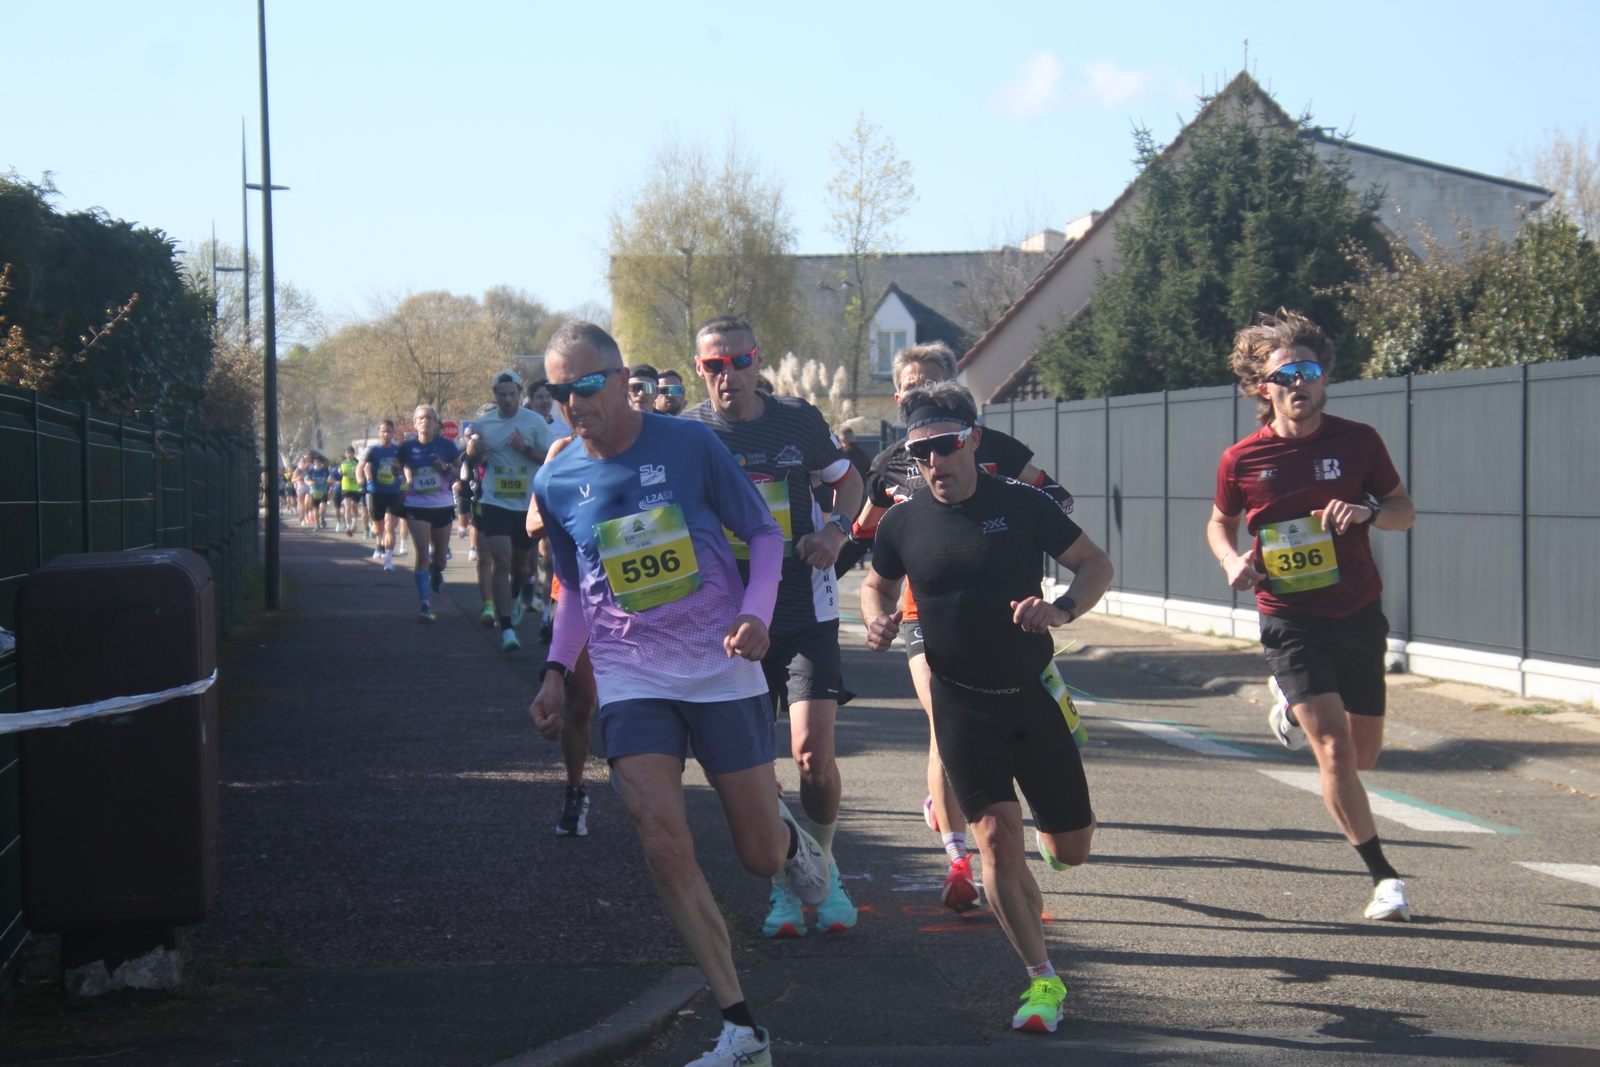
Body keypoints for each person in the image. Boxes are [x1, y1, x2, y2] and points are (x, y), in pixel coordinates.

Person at [529, 321, 828, 1067]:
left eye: (585, 386)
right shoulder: (556, 481)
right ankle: (740, 1026)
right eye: (559, 391)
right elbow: (574, 591)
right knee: (662, 841)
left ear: (621, 379)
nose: (573, 403)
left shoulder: (689, 444)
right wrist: (556, 669)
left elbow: (763, 533)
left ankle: (790, 840)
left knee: (758, 855)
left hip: (719, 661)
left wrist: (757, 611)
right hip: (631, 674)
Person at [861, 381, 1113, 1034]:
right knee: (997, 838)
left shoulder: (1022, 504)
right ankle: (1042, 979)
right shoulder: (902, 521)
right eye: (920, 452)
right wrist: (877, 618)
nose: (934, 461)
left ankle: (1061, 834)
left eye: (946, 445)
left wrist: (1060, 609)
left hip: (1030, 695)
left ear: (972, 438)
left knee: (1071, 849)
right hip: (960, 703)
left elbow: (1095, 564)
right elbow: (875, 582)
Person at [838, 342, 1075, 911]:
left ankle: (1039, 816)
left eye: (930, 384)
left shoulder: (993, 449)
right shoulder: (892, 462)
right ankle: (958, 858)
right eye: (909, 388)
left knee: (1017, 734)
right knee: (942, 719)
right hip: (923, 615)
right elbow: (863, 535)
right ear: (898, 396)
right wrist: (826, 573)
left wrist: (1019, 532)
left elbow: (1056, 496)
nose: (918, 396)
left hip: (1003, 618)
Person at [1207, 310, 1418, 922]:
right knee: (1333, 749)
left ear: (1324, 379)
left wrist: (1369, 512)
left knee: (1365, 753)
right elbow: (1219, 521)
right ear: (1263, 388)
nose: (1299, 383)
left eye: (1309, 371)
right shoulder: (1242, 459)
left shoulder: (1359, 442)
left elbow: (1403, 510)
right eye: (1285, 375)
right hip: (1288, 615)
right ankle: (1384, 878)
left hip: (1356, 608)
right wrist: (1230, 560)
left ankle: (1286, 699)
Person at [681, 315, 864, 939]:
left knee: (813, 756)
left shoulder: (798, 421)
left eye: (740, 361)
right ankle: (791, 879)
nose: (728, 375)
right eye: (714, 365)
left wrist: (835, 531)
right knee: (756, 768)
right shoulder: (688, 434)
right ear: (700, 368)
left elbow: (849, 483)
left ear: (757, 361)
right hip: (730, 620)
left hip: (803, 609)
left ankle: (825, 864)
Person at [526, 433, 601, 836]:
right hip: (576, 591)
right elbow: (532, 523)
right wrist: (583, 507)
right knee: (582, 703)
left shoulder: (654, 444)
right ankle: (575, 791)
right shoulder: (562, 449)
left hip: (639, 596)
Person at [467, 371, 554, 651]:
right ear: (495, 395)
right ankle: (506, 630)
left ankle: (516, 594)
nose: (507, 399)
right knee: (500, 561)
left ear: (519, 394)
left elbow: (550, 459)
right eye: (501, 394)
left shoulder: (534, 422)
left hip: (526, 504)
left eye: (511, 394)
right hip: (495, 501)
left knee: (521, 568)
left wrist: (524, 448)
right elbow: (477, 460)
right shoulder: (485, 423)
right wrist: (473, 451)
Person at [397, 405, 460, 622]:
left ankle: (436, 570)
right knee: (422, 554)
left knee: (440, 559)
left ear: (435, 423)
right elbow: (396, 467)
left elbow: (461, 471)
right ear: (415, 423)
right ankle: (425, 605)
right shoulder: (407, 447)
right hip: (416, 505)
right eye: (421, 418)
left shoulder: (446, 445)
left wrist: (445, 467)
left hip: (442, 505)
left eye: (429, 418)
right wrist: (396, 471)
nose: (425, 422)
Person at [361, 420, 406, 571]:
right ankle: (375, 534)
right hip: (375, 492)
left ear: (393, 433)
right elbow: (360, 468)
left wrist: (401, 473)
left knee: (389, 525)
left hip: (393, 492)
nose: (386, 434)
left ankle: (388, 560)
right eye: (383, 431)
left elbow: (404, 469)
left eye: (389, 431)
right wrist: (363, 480)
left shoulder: (398, 451)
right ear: (379, 433)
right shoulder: (371, 450)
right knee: (379, 529)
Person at [337, 447, 363, 536]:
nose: (349, 455)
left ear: (353, 453)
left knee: (354, 507)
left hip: (355, 488)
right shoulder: (343, 463)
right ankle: (348, 527)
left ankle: (354, 522)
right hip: (346, 487)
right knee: (347, 507)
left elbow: (361, 473)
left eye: (350, 453)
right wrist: (340, 471)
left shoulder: (357, 463)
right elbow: (340, 470)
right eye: (347, 453)